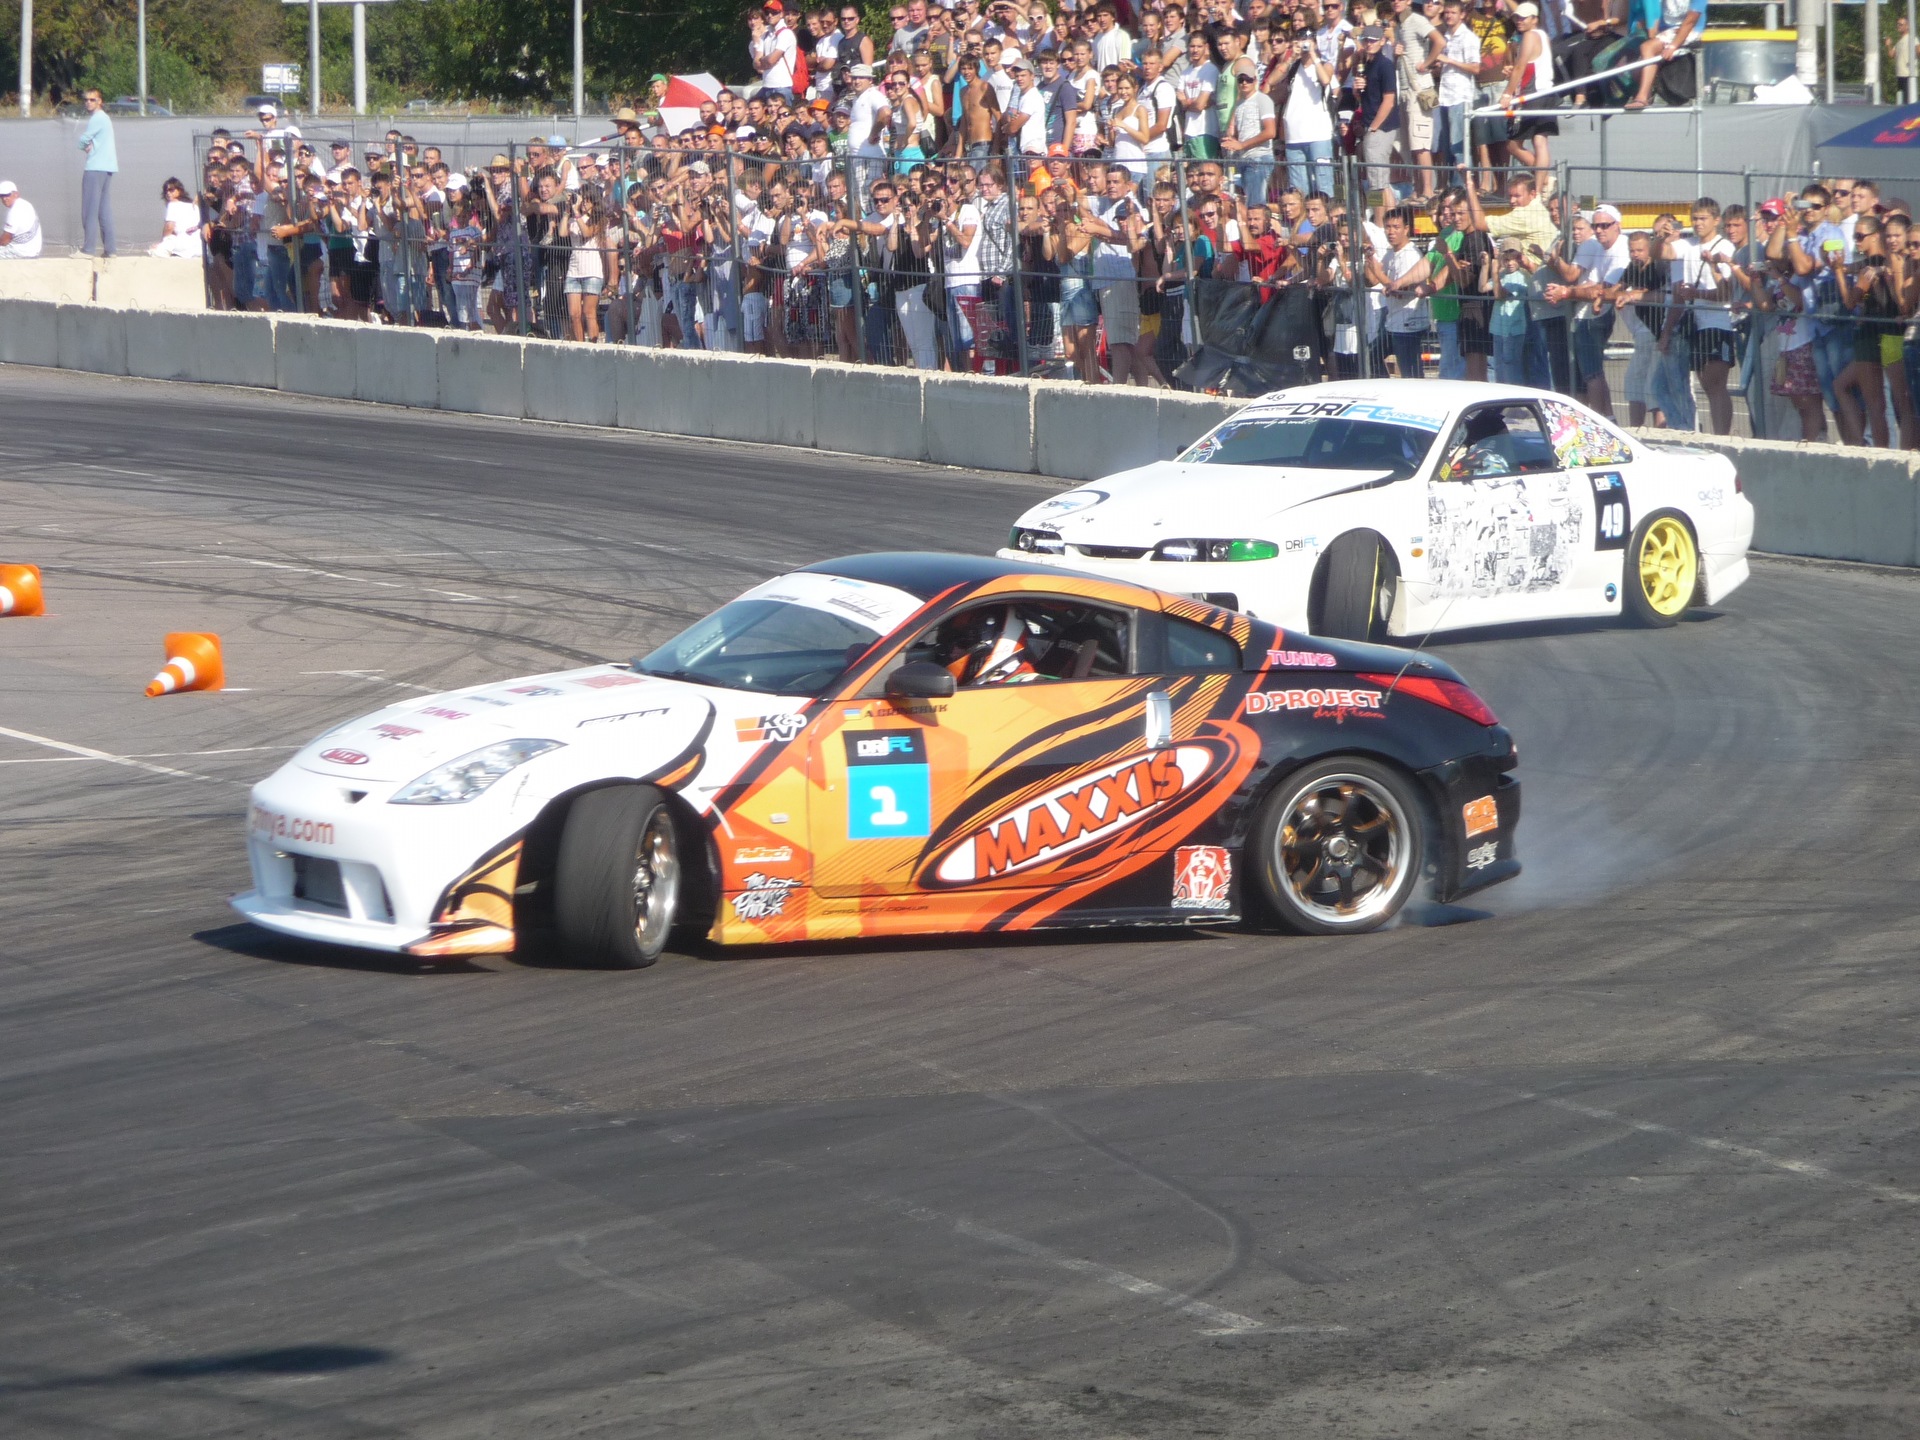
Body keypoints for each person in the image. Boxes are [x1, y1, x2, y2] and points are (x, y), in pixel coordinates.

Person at [1547, 201, 1627, 418]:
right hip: (1590, 315)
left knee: (1592, 374)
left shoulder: (1620, 250)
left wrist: (1566, 292)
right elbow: (1590, 284)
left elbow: (1601, 290)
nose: (1599, 230)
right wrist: (1565, 290)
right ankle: (1606, 419)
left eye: (1604, 225)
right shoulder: (1601, 248)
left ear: (1617, 225)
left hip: (1598, 317)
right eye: (1596, 226)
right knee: (1589, 373)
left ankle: (1602, 420)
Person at [77, 89, 118, 257]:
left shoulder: (98, 118)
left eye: (92, 99)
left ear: (100, 101)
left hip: (95, 167)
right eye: (86, 100)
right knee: (103, 210)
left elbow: (83, 139)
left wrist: (83, 146)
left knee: (89, 210)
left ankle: (88, 249)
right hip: (107, 168)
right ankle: (110, 250)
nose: (88, 102)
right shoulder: (105, 118)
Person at [148, 177, 204, 259]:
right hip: (199, 247)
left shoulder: (173, 204)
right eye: (166, 191)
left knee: (154, 250)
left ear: (179, 190)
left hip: (184, 246)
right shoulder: (194, 206)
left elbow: (169, 227)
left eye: (171, 190)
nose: (168, 193)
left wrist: (162, 242)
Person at [0, 181, 44, 258]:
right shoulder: (25, 204)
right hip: (33, 250)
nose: (4, 198)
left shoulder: (14, 211)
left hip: (20, 252)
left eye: (7, 195)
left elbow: (5, 241)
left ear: (16, 194)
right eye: (2, 195)